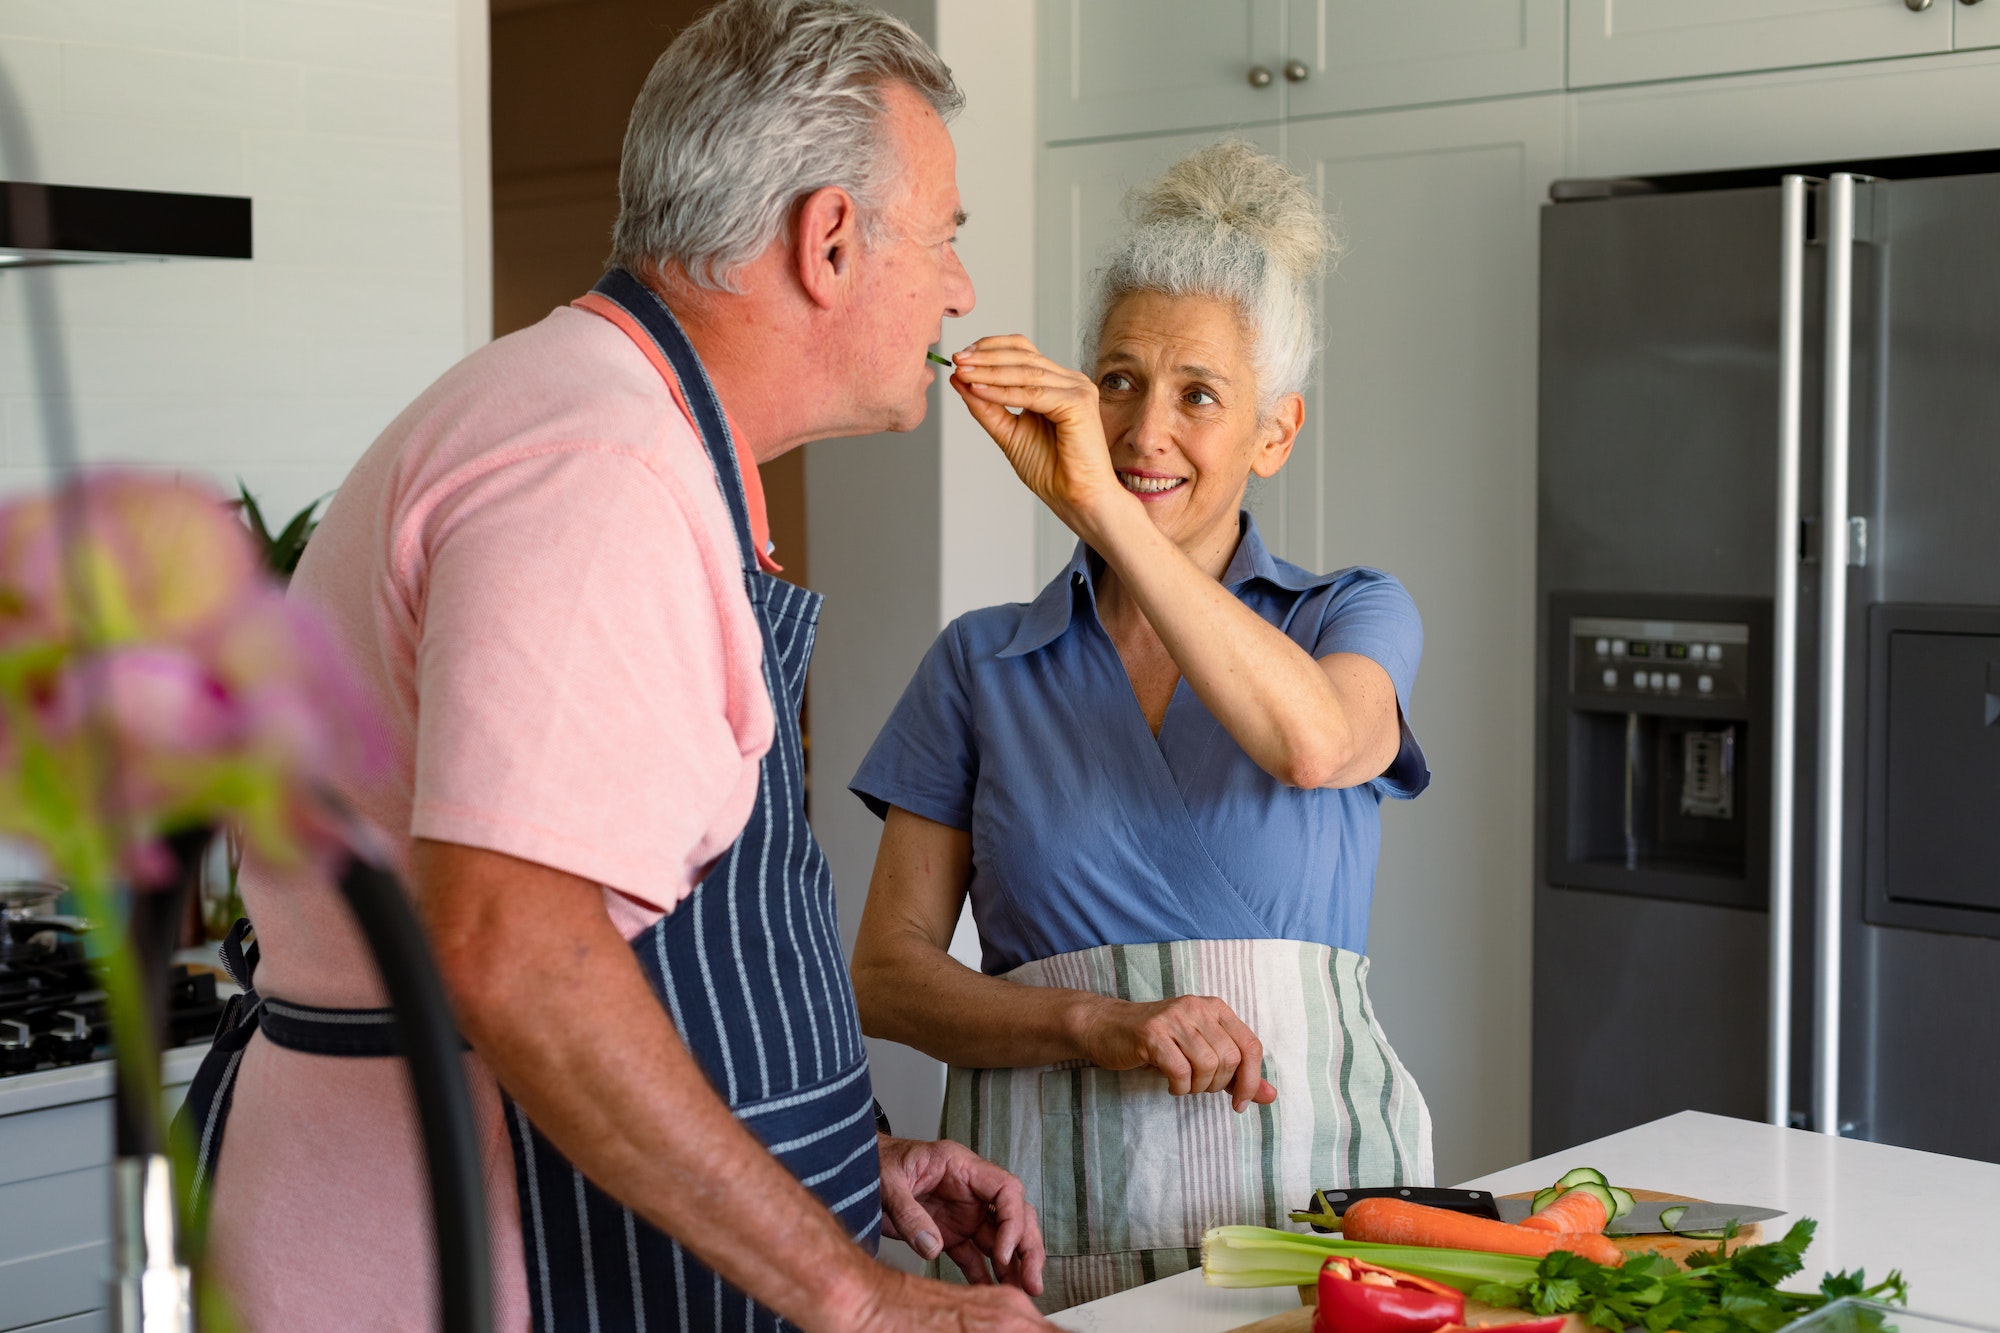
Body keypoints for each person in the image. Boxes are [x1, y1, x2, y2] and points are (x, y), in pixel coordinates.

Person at [175, 2, 1053, 1329]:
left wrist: (828, 1148)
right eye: (945, 236)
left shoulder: (613, 424)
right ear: (828, 241)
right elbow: (519, 952)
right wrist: (864, 1302)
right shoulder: (600, 469)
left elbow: (659, 941)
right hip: (462, 1258)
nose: (959, 290)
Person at [847, 141, 1436, 1312]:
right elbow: (885, 977)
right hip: (1046, 1234)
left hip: (1318, 1232)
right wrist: (1098, 1022)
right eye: (1115, 381)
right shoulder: (979, 663)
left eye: (1197, 395)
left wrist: (1102, 512)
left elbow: (1316, 745)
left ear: (1274, 433)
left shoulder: (1348, 615)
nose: (1141, 429)